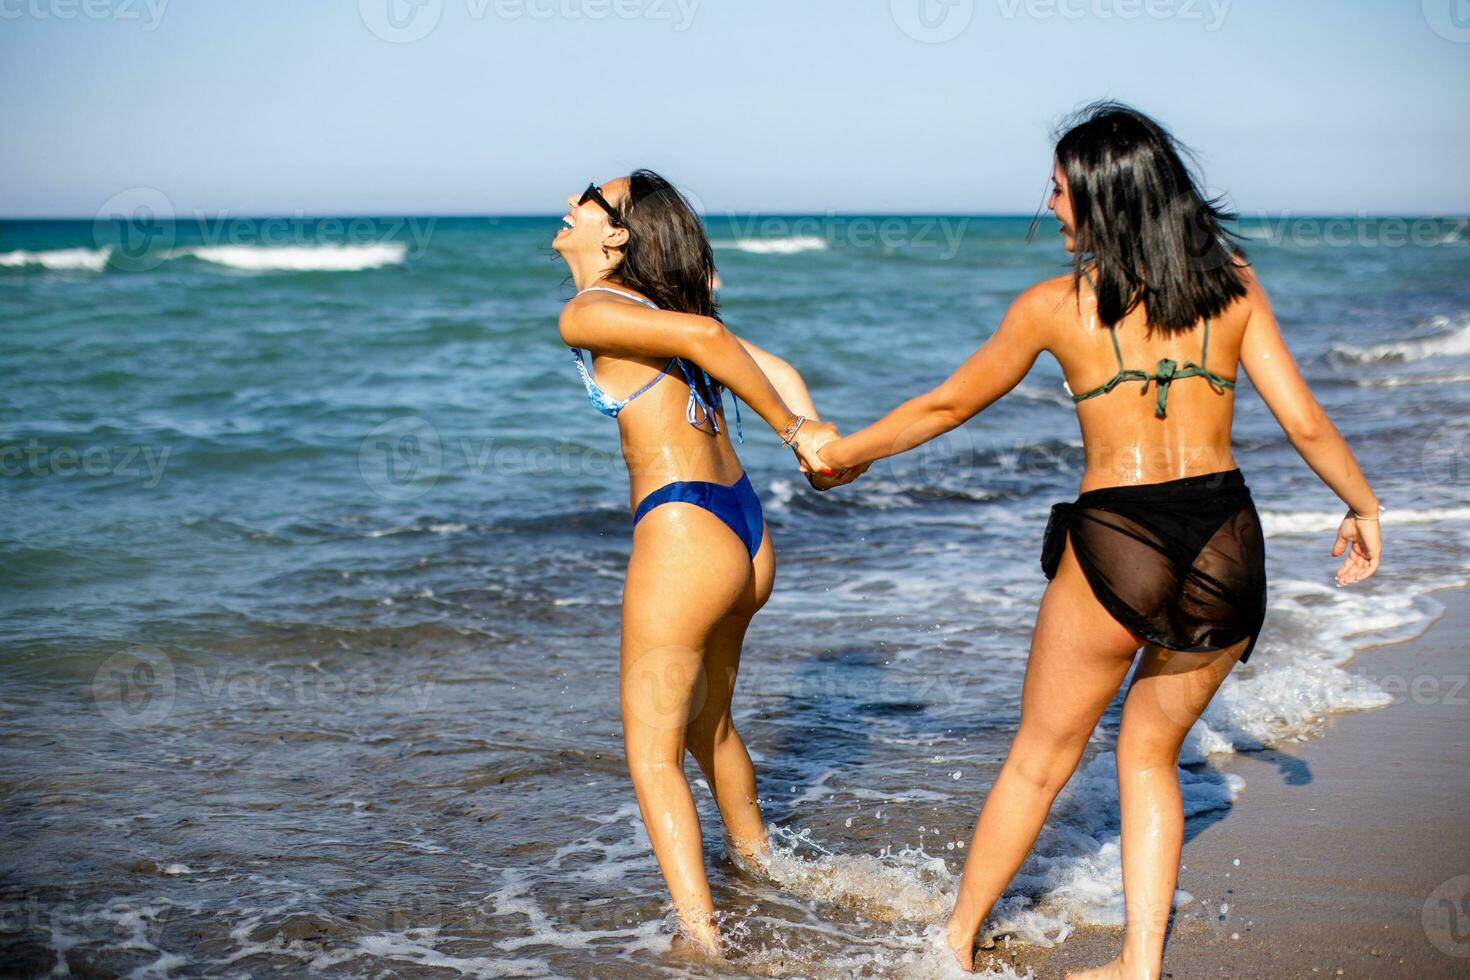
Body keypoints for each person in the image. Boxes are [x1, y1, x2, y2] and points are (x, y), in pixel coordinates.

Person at [813, 103, 1382, 977]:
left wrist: (842, 454)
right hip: (1226, 536)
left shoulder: (1052, 308)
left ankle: (952, 945)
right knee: (1149, 755)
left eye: (1059, 190)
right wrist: (1362, 505)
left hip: (1121, 535)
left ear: (1105, 198)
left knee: (1040, 759)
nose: (1050, 207)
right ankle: (1136, 964)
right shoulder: (1233, 283)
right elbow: (1302, 419)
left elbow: (947, 405)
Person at [553, 169, 861, 954]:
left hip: (686, 532)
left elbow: (715, 343)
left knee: (650, 753)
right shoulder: (660, 310)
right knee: (709, 727)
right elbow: (764, 360)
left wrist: (795, 433)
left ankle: (702, 937)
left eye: (588, 195)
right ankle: (761, 862)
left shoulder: (589, 310)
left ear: (616, 234)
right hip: (744, 532)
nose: (570, 202)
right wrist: (815, 429)